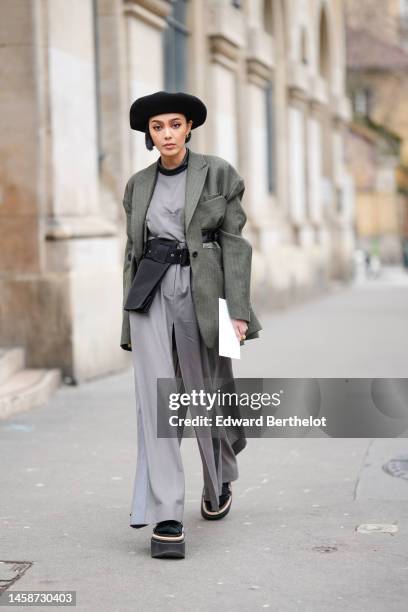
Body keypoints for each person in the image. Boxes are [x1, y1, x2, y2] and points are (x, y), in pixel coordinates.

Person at [120, 91, 262, 558]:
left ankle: (217, 477)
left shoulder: (218, 172)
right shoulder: (137, 185)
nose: (167, 134)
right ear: (149, 134)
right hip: (150, 293)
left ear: (188, 128)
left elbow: (234, 244)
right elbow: (132, 253)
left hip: (204, 293)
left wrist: (237, 311)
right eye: (157, 127)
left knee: (206, 392)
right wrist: (129, 317)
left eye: (174, 125)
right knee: (157, 399)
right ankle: (166, 514)